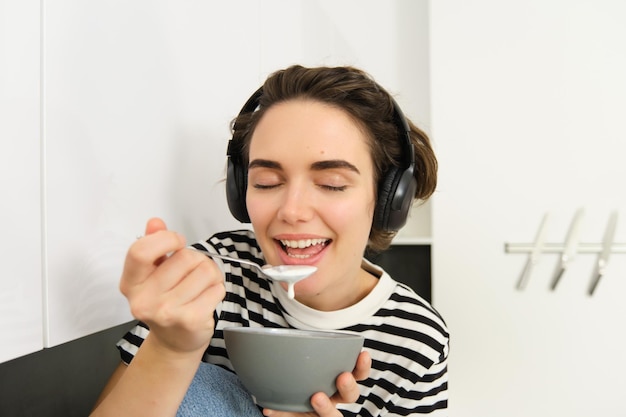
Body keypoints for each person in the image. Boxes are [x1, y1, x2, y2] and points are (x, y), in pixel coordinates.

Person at [91, 65, 449, 417]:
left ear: (389, 200)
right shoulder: (210, 280)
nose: (292, 211)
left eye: (332, 184)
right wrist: (171, 349)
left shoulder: (416, 339)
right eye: (266, 182)